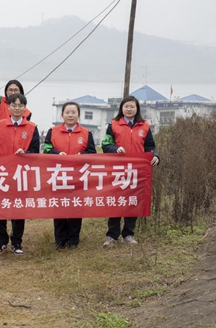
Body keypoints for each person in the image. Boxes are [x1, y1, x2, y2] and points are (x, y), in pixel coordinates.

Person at [100, 95, 160, 248]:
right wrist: (115, 148)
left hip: (137, 171)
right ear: (121, 108)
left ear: (137, 108)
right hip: (118, 171)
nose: (129, 109)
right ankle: (111, 235)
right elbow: (106, 145)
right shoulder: (113, 125)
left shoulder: (144, 126)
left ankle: (128, 234)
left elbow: (150, 147)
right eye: (126, 106)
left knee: (133, 202)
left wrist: (155, 156)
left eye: (132, 106)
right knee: (116, 202)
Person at [0, 93, 40, 255]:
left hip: (21, 175)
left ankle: (17, 242)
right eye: (14, 105)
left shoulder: (32, 127)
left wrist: (25, 153)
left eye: (20, 105)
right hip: (2, 174)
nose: (17, 108)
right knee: (1, 208)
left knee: (19, 209)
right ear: (8, 107)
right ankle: (1, 241)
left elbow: (35, 152)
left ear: (25, 108)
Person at [44, 101, 96, 250]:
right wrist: (56, 153)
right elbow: (47, 148)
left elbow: (92, 153)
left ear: (78, 115)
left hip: (78, 177)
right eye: (67, 112)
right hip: (58, 176)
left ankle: (73, 240)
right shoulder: (52, 131)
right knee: (59, 207)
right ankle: (60, 241)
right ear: (62, 115)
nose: (70, 115)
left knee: (76, 207)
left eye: (74, 112)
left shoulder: (86, 133)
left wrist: (82, 155)